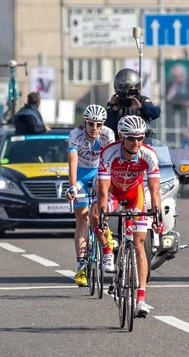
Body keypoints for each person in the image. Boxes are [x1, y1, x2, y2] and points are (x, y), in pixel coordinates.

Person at [92, 115, 162, 317]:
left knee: (139, 245)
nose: (136, 142)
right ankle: (107, 250)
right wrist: (104, 215)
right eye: (131, 138)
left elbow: (155, 190)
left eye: (140, 137)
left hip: (135, 195)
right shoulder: (109, 153)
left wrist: (156, 216)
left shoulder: (149, 155)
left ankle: (141, 299)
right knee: (96, 214)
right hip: (113, 193)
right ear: (121, 137)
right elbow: (103, 191)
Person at [65, 105, 115, 287]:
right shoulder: (75, 135)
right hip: (80, 173)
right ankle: (81, 267)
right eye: (91, 124)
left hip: (98, 171)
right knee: (81, 219)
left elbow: (111, 161)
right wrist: (72, 187)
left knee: (98, 209)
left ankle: (105, 230)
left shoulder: (108, 135)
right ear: (84, 122)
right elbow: (72, 163)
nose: (95, 128)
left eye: (99, 124)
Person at [105, 68, 161, 138]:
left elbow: (156, 113)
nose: (127, 90)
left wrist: (141, 107)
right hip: (119, 142)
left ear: (136, 86)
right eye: (124, 87)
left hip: (141, 142)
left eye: (131, 87)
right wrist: (113, 110)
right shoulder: (115, 102)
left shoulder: (142, 100)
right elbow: (106, 125)